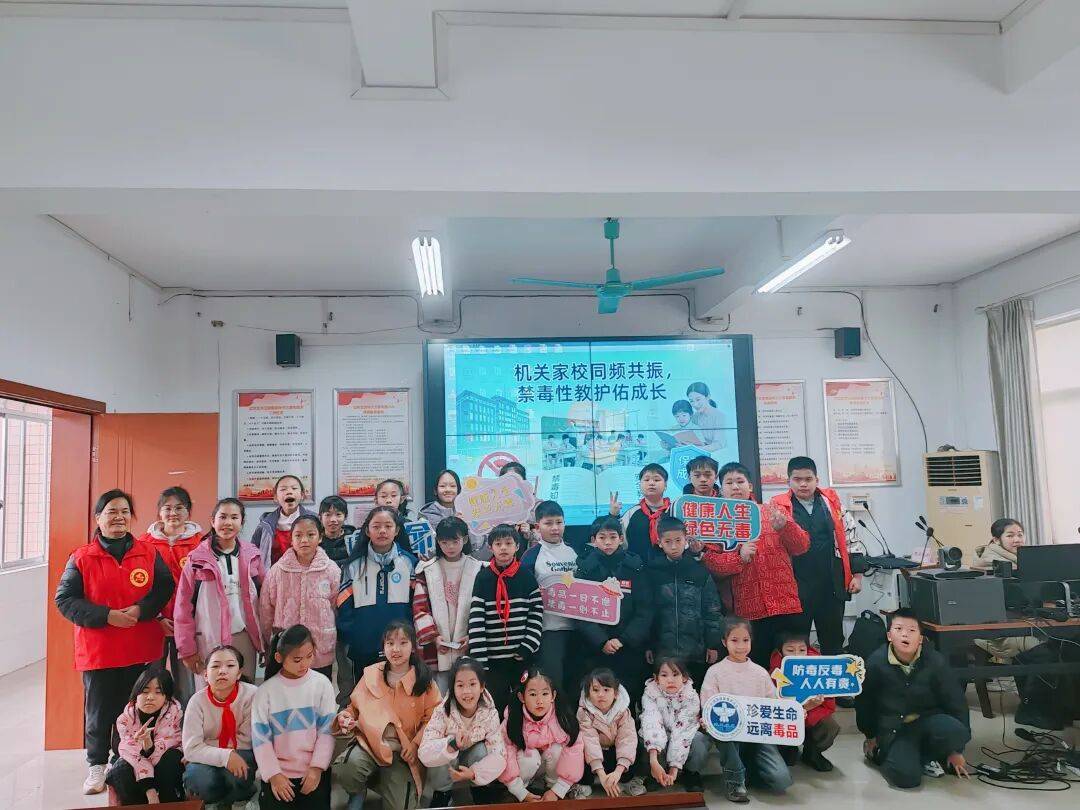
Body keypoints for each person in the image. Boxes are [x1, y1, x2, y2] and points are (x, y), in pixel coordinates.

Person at [54, 489, 175, 795]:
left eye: (124, 511)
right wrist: (107, 616)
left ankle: (125, 760)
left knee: (135, 709)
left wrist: (141, 610)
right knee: (99, 712)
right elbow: (65, 600)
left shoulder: (148, 552)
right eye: (111, 511)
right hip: (100, 650)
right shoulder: (81, 557)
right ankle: (96, 765)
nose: (119, 517)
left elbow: (164, 587)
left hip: (140, 647)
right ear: (98, 518)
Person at [701, 462, 809, 669]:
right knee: (755, 665)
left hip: (784, 604)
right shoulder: (716, 522)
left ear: (750, 486)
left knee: (790, 666)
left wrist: (786, 527)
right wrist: (739, 558)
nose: (735, 487)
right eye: (729, 483)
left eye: (740, 481)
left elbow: (802, 546)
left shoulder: (772, 511)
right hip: (748, 610)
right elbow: (711, 564)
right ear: (721, 489)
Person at [856, 608, 971, 789]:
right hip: (896, 728)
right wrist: (870, 735)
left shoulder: (935, 661)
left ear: (921, 638)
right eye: (899, 629)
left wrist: (956, 751)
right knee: (906, 778)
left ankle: (925, 756)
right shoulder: (875, 663)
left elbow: (956, 701)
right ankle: (887, 755)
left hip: (928, 721)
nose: (905, 635)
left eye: (911, 630)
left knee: (958, 731)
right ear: (889, 636)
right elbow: (865, 703)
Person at [333, 620, 442, 810]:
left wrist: (415, 744)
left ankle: (387, 781)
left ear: (413, 647)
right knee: (346, 768)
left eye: (403, 643)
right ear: (383, 647)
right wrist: (345, 717)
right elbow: (353, 708)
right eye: (390, 643)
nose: (396, 649)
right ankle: (358, 790)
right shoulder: (371, 674)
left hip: (402, 754)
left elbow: (435, 719)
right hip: (370, 746)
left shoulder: (424, 681)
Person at [769, 457, 860, 656]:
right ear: (788, 481)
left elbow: (850, 538)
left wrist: (857, 575)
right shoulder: (779, 507)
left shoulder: (832, 504)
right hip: (796, 589)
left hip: (830, 586)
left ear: (817, 480)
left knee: (833, 641)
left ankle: (831, 675)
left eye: (808, 479)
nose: (803, 484)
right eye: (797, 479)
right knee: (795, 643)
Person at [174, 497, 264, 684]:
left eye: (234, 517)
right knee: (211, 693)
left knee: (245, 691)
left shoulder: (253, 556)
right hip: (209, 639)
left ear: (242, 522)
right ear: (212, 521)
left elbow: (265, 601)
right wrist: (187, 649)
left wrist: (265, 641)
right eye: (222, 517)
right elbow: (183, 608)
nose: (228, 523)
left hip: (244, 637)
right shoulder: (196, 560)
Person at [701, 618, 793, 797]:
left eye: (745, 640)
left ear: (751, 640)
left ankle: (749, 768)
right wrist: (708, 719)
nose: (741, 646)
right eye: (734, 640)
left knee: (781, 780)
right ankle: (735, 782)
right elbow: (708, 704)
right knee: (725, 731)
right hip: (728, 732)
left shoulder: (760, 672)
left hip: (757, 732)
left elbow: (774, 703)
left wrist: (795, 713)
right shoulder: (715, 672)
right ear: (724, 642)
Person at [252, 624, 337, 809]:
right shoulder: (265, 692)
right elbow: (261, 740)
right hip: (279, 775)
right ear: (279, 657)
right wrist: (274, 775)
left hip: (313, 771)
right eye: (297, 659)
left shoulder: (322, 684)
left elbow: (327, 731)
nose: (304, 664)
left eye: (309, 656)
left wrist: (316, 769)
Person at [632, 516, 723, 686]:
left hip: (696, 650)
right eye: (668, 542)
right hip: (662, 650)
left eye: (678, 540)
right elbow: (645, 612)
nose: (673, 546)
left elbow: (712, 610)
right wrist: (647, 645)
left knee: (694, 693)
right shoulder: (652, 572)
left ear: (686, 539)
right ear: (660, 543)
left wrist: (713, 644)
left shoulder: (699, 572)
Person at [468, 524, 544, 714]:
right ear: (490, 547)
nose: (503, 548)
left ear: (517, 546)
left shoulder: (526, 576)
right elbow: (476, 620)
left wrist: (527, 646)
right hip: (492, 661)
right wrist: (480, 661)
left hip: (521, 657)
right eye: (498, 543)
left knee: (523, 706)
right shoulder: (483, 578)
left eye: (508, 543)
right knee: (495, 707)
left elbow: (536, 613)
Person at [574, 516, 648, 705]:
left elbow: (645, 609)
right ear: (593, 540)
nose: (607, 542)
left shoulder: (635, 567)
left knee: (629, 697)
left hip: (628, 645)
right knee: (596, 698)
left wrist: (623, 639)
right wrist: (602, 641)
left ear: (621, 539)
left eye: (613, 537)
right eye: (602, 537)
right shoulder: (584, 569)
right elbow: (580, 611)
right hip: (595, 648)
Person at [337, 506, 418, 676]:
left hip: (401, 646)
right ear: (367, 531)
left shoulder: (410, 563)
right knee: (367, 691)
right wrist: (354, 636)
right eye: (376, 526)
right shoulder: (353, 566)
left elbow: (416, 605)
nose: (382, 531)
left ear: (397, 530)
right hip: (364, 646)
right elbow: (344, 608)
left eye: (388, 526)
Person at [141, 485, 203, 706]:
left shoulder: (201, 544)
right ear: (159, 512)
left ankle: (186, 723)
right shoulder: (144, 544)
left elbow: (204, 588)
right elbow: (139, 586)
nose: (173, 513)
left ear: (188, 511)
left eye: (179, 508)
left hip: (187, 624)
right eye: (167, 508)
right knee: (150, 680)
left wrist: (186, 618)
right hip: (153, 623)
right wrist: (156, 617)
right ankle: (152, 723)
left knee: (186, 683)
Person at [259, 515, 341, 680]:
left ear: (320, 537)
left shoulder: (331, 570)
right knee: (286, 690)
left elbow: (336, 607)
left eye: (311, 535)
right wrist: (266, 642)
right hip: (286, 646)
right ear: (291, 539)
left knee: (318, 689)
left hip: (320, 646)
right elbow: (266, 609)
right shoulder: (277, 571)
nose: (304, 540)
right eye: (298, 535)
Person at [420, 656, 508, 806]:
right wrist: (451, 745)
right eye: (460, 685)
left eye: (472, 684)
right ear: (453, 689)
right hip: (446, 770)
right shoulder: (442, 711)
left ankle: (479, 793)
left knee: (481, 751)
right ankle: (442, 795)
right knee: (442, 752)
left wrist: (474, 773)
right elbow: (424, 752)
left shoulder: (490, 713)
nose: (467, 692)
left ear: (482, 686)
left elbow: (500, 755)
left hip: (470, 766)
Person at [182, 645, 259, 807]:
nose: (222, 671)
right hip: (211, 757)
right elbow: (191, 748)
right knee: (199, 778)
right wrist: (224, 756)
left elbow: (246, 741)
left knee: (235, 774)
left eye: (230, 666)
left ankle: (240, 795)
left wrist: (205, 748)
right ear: (205, 674)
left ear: (239, 673)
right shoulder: (196, 701)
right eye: (215, 666)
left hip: (241, 751)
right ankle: (217, 801)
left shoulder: (252, 695)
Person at [413, 516, 484, 692]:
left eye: (455, 541)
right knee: (440, 695)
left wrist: (472, 636)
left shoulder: (479, 569)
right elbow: (420, 608)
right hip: (437, 647)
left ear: (465, 540)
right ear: (438, 541)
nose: (450, 547)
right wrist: (434, 638)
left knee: (468, 692)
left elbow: (484, 608)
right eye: (444, 542)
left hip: (469, 642)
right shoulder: (427, 570)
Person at [499, 667, 589, 801]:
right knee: (529, 756)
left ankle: (552, 789)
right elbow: (504, 751)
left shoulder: (562, 717)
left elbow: (574, 749)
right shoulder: (513, 718)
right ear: (521, 697)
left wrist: (558, 790)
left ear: (553, 696)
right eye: (533, 694)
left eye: (545, 694)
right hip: (525, 771)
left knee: (557, 750)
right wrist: (520, 792)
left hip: (549, 768)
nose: (539, 701)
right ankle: (522, 791)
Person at [521, 500, 578, 693]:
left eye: (559, 522)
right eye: (548, 523)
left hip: (577, 629)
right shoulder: (531, 556)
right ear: (538, 527)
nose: (555, 528)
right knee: (554, 685)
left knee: (575, 683)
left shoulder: (574, 552)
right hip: (547, 631)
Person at [107, 667, 185, 805]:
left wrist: (148, 747)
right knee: (120, 770)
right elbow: (128, 751)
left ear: (167, 697)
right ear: (136, 693)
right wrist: (150, 789)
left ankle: (170, 803)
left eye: (158, 692)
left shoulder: (175, 714)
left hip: (163, 760)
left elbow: (170, 744)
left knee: (171, 760)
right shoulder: (125, 719)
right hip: (138, 766)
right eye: (145, 691)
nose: (150, 697)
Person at [635, 656, 711, 795]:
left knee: (699, 739)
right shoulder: (650, 694)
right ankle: (655, 772)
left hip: (682, 735)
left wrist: (674, 769)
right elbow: (652, 724)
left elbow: (683, 730)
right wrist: (653, 761)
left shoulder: (691, 696)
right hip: (660, 735)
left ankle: (690, 773)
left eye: (675, 674)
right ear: (656, 678)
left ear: (684, 677)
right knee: (645, 736)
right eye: (664, 675)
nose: (670, 680)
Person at [768, 632, 840, 771]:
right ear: (780, 652)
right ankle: (788, 748)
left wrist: (816, 704)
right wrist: (804, 707)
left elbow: (829, 702)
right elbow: (775, 708)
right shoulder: (775, 673)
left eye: (802, 650)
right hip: (787, 717)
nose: (797, 655)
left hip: (813, 714)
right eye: (790, 650)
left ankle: (812, 753)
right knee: (788, 759)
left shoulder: (819, 668)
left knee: (829, 726)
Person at [576, 668, 643, 798]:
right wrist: (601, 774)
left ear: (615, 693)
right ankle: (587, 783)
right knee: (580, 748)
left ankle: (624, 781)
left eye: (606, 690)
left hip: (614, 753)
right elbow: (590, 741)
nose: (601, 694)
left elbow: (627, 740)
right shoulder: (584, 712)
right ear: (588, 694)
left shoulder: (623, 712)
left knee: (636, 747)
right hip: (594, 757)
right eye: (596, 690)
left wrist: (618, 772)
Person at [251, 475, 316, 566]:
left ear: (302, 495)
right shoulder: (265, 524)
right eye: (283, 489)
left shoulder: (314, 520)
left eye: (294, 488)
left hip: (306, 572)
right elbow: (253, 551)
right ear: (275, 497)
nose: (289, 492)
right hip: (274, 573)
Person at [620, 463, 672, 561]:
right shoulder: (631, 513)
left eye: (656, 480)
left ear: (665, 485)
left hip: (669, 566)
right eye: (646, 480)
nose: (651, 483)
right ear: (640, 484)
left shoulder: (673, 511)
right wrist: (613, 515)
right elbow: (621, 542)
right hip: (636, 567)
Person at [686, 382, 728, 450]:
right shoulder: (695, 417)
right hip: (699, 452)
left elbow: (719, 444)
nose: (695, 404)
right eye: (691, 401)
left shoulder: (720, 416)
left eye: (698, 399)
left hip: (717, 453)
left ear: (708, 397)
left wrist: (696, 448)